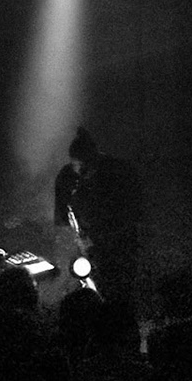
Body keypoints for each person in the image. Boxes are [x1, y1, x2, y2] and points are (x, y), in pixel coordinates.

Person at [54, 127, 143, 308]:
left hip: (118, 247)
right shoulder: (66, 177)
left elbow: (131, 215)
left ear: (96, 158)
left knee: (118, 295)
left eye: (86, 168)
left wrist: (102, 241)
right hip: (87, 247)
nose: (81, 173)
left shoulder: (119, 173)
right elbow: (63, 219)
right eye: (77, 167)